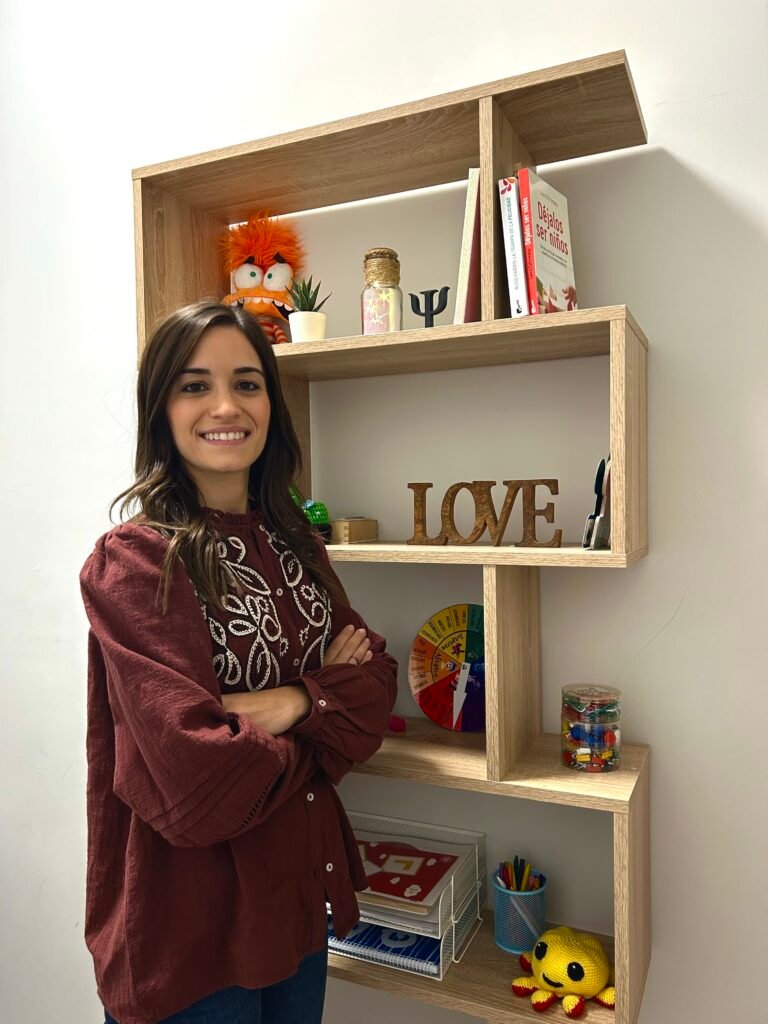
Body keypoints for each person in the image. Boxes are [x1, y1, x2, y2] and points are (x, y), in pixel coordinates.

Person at [79, 300, 399, 1024]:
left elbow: (376, 689)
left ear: (271, 404)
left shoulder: (297, 543)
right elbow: (195, 780)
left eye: (247, 383)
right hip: (189, 936)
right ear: (160, 408)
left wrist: (293, 703)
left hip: (296, 908)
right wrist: (326, 714)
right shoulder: (136, 562)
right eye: (195, 385)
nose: (226, 406)